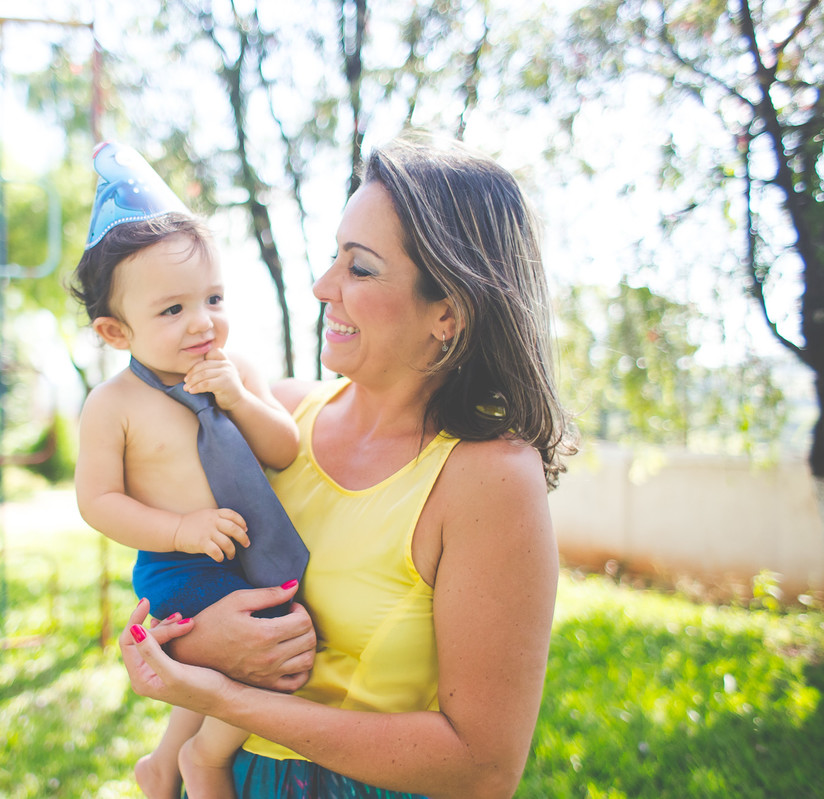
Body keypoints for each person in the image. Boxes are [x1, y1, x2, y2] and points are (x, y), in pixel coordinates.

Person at [119, 129, 577, 799]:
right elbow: (161, 600)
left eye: (359, 268)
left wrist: (227, 697)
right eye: (335, 256)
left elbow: (482, 767)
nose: (322, 284)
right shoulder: (271, 414)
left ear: (446, 312)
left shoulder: (490, 476)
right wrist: (191, 644)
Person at [71, 142, 310, 799]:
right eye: (173, 310)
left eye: (213, 297)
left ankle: (162, 761)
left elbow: (283, 448)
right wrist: (181, 527)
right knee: (263, 650)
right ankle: (203, 760)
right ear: (117, 333)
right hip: (180, 563)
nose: (202, 321)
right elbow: (97, 500)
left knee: (268, 644)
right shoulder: (115, 405)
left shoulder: (239, 371)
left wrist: (237, 398)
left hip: (247, 549)